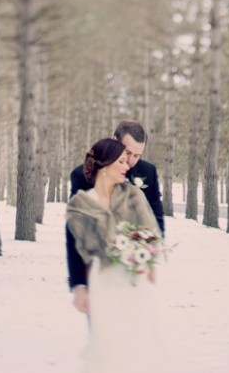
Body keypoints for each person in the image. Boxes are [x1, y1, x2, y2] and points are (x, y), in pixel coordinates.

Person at [66, 138, 163, 373]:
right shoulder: (81, 203)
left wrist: (146, 257)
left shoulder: (132, 194)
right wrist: (79, 285)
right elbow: (75, 247)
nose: (128, 166)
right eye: (121, 161)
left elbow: (152, 231)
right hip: (101, 280)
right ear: (105, 164)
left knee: (134, 341)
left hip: (131, 278)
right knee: (105, 342)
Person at [66, 119, 164, 314]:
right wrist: (79, 284)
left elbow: (156, 219)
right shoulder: (82, 176)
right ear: (114, 141)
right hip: (98, 272)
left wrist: (151, 255)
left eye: (137, 155)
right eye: (127, 153)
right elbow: (75, 234)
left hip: (135, 271)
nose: (131, 161)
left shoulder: (147, 172)